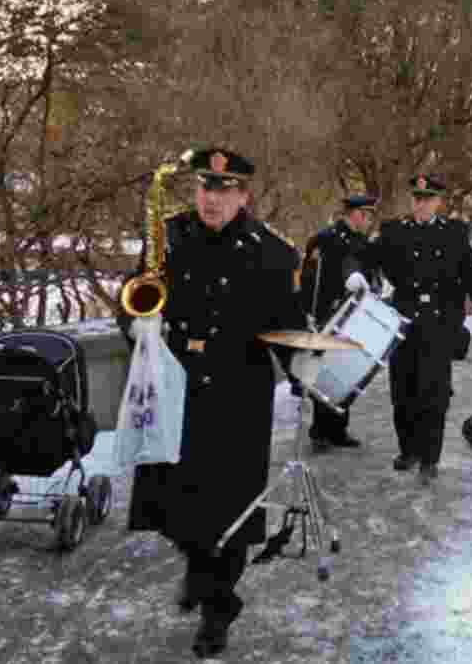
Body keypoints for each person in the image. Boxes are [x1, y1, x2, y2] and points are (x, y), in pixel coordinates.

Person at [115, 147, 305, 659]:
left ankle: (218, 608)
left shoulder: (272, 252)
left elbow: (288, 325)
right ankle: (201, 570)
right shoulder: (171, 235)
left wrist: (303, 369)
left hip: (235, 396)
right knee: (173, 505)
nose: (211, 199)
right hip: (175, 387)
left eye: (223, 190)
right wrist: (133, 324)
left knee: (229, 513)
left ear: (243, 195)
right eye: (204, 187)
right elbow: (135, 289)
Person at [348, 173, 472, 485]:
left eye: (427, 199)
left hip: (440, 323)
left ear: (438, 202)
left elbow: (469, 271)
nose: (421, 204)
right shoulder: (394, 230)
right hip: (403, 321)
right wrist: (357, 274)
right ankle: (408, 449)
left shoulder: (454, 233)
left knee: (434, 392)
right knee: (403, 390)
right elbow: (364, 255)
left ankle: (430, 457)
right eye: (416, 198)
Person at [298, 195, 378, 451]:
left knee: (346, 370)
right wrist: (308, 313)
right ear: (351, 214)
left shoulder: (363, 242)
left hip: (353, 314)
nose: (367, 220)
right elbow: (311, 279)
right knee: (326, 371)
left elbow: (367, 273)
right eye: (364, 215)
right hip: (328, 311)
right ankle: (319, 433)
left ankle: (338, 429)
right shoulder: (325, 239)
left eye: (369, 216)